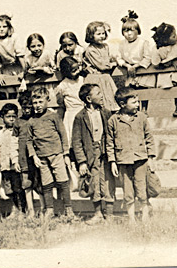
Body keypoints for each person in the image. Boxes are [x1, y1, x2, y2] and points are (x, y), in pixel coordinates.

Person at [106, 87, 156, 224]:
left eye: (138, 102)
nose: (137, 105)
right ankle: (131, 218)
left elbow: (149, 137)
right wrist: (112, 162)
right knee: (128, 192)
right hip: (123, 161)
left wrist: (150, 158)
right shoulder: (113, 121)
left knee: (141, 189)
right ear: (122, 105)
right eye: (134, 102)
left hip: (140, 160)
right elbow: (109, 143)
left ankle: (145, 215)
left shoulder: (141, 118)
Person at [27, 85, 76, 221]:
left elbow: (63, 135)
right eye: (35, 103)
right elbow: (29, 140)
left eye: (40, 102)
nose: (37, 105)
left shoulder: (54, 117)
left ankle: (68, 209)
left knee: (63, 182)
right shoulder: (31, 121)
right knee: (46, 184)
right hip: (41, 158)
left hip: (56, 155)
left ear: (47, 100)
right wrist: (34, 156)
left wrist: (65, 154)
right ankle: (49, 210)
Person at [72, 84, 115, 224]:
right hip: (90, 156)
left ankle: (109, 214)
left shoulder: (106, 113)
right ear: (89, 98)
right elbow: (76, 141)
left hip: (105, 153)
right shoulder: (80, 117)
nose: (102, 95)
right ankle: (98, 214)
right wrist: (82, 162)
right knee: (94, 183)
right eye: (98, 93)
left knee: (108, 182)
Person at [116, 10, 155, 113]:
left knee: (143, 90)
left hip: (142, 70)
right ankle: (135, 111)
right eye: (126, 31)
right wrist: (127, 65)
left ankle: (144, 110)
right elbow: (119, 58)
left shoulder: (143, 43)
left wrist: (136, 66)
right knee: (132, 92)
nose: (129, 34)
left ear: (137, 31)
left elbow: (147, 57)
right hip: (130, 72)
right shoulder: (122, 44)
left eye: (132, 30)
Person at [14, 92, 45, 217]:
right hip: (23, 159)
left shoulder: (37, 119)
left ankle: (43, 209)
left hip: (36, 157)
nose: (27, 110)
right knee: (26, 184)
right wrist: (15, 160)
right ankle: (31, 210)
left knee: (40, 183)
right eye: (24, 107)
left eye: (29, 107)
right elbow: (14, 142)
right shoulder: (18, 122)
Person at [151, 22, 177, 117]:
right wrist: (171, 63)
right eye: (173, 36)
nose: (176, 37)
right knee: (167, 87)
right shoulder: (157, 49)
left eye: (175, 34)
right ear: (165, 40)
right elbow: (156, 64)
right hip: (165, 71)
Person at [0, 103, 26, 218]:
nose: (11, 119)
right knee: (9, 189)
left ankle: (22, 210)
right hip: (5, 165)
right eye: (8, 117)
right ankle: (14, 209)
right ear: (3, 118)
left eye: (14, 116)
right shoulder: (1, 132)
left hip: (15, 165)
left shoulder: (17, 131)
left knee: (18, 188)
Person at [83, 21, 119, 111]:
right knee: (99, 101)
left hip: (106, 78)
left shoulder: (105, 46)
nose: (102, 36)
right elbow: (102, 66)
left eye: (103, 33)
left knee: (111, 101)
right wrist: (112, 64)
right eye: (98, 34)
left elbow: (108, 58)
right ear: (91, 35)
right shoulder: (91, 50)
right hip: (96, 78)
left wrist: (113, 60)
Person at [0, 14, 26, 85]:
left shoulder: (14, 37)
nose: (1, 29)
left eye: (4, 26)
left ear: (9, 27)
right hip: (5, 68)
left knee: (22, 87)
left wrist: (24, 71)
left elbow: (20, 55)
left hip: (18, 66)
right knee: (8, 88)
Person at [56, 56, 85, 146]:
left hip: (83, 110)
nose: (77, 71)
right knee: (72, 136)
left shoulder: (82, 80)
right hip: (71, 113)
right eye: (73, 70)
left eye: (77, 68)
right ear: (66, 72)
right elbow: (60, 101)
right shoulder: (63, 85)